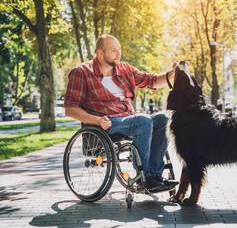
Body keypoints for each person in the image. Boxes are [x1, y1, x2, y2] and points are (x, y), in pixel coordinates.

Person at [64, 34, 178, 192]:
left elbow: (151, 81)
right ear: (100, 53)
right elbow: (70, 109)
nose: (119, 54)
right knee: (143, 120)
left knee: (164, 119)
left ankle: (155, 175)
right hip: (106, 123)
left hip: (129, 120)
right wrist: (97, 120)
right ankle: (144, 176)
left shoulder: (124, 69)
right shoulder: (82, 72)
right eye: (113, 50)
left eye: (119, 50)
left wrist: (170, 75)